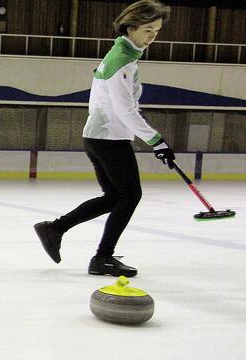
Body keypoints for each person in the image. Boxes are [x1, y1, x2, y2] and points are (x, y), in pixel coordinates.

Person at [34, 0, 174, 278]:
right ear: (131, 28)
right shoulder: (121, 62)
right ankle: (102, 257)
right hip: (109, 138)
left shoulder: (122, 55)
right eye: (148, 30)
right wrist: (157, 141)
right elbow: (126, 111)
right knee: (130, 195)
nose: (152, 37)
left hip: (100, 137)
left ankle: (55, 228)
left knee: (114, 197)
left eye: (156, 31)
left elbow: (125, 106)